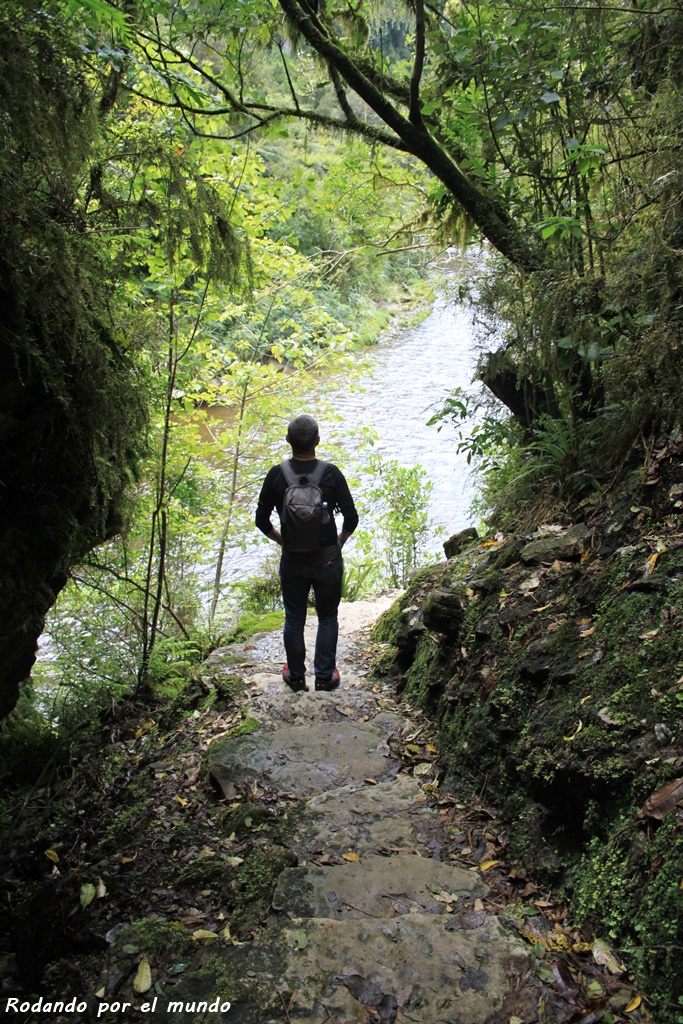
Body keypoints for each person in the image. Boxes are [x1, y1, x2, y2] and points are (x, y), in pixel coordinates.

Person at [255, 414, 358, 692]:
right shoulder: (331, 474)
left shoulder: (277, 475)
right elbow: (352, 518)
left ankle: (296, 676)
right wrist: (340, 541)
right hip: (327, 557)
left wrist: (282, 541)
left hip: (293, 560)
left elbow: (261, 521)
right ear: (318, 440)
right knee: (327, 617)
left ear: (288, 440)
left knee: (294, 618)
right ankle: (325, 677)